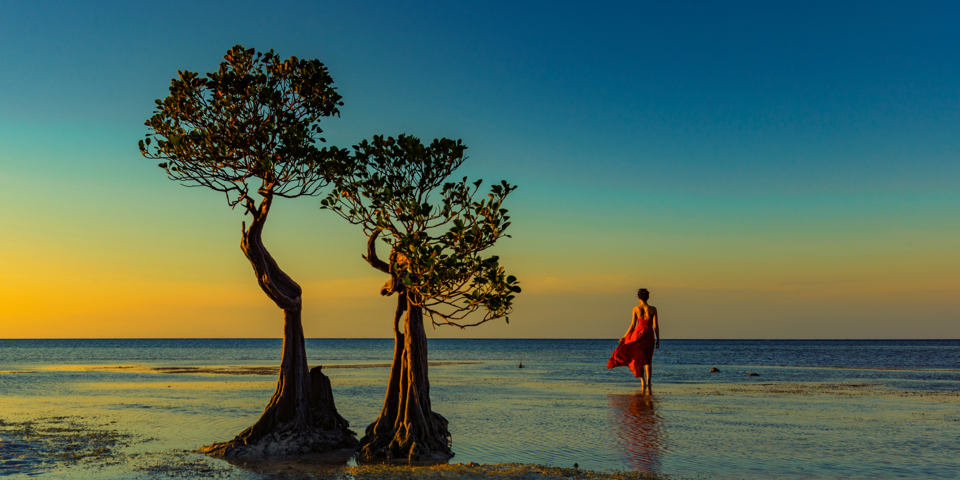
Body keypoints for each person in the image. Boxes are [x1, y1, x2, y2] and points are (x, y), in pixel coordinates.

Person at [607, 288, 659, 393]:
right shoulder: (653, 309)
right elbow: (655, 326)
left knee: (638, 358)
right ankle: (649, 384)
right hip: (649, 336)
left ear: (639, 298)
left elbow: (632, 325)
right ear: (648, 297)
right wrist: (658, 339)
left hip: (637, 336)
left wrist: (624, 337)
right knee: (648, 360)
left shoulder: (636, 309)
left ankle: (643, 383)